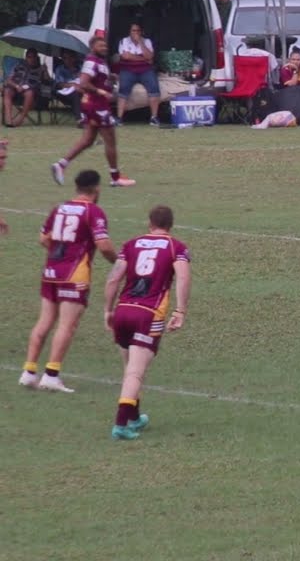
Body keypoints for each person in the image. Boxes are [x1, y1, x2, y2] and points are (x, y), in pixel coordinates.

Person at [19, 170, 118, 393]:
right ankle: (51, 375)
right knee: (67, 325)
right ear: (96, 188)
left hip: (51, 271)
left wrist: (59, 252)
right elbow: (104, 245)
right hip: (74, 275)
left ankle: (29, 372)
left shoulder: (60, 208)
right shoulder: (93, 211)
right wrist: (119, 263)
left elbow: (43, 238)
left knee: (44, 321)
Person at [101, 205, 191, 440]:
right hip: (148, 314)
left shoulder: (130, 244)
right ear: (170, 225)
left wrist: (108, 310)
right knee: (135, 373)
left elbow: (113, 279)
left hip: (123, 311)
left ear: (149, 224)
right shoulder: (176, 246)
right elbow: (183, 276)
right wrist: (180, 310)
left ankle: (134, 418)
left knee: (129, 368)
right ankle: (120, 425)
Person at [50, 35, 137, 187]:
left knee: (88, 140)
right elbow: (84, 83)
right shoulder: (91, 61)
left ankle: (61, 165)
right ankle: (115, 177)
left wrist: (110, 79)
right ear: (92, 47)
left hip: (94, 105)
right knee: (110, 140)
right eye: (100, 45)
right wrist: (100, 91)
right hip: (97, 106)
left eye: (105, 45)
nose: (104, 48)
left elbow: (98, 80)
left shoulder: (100, 62)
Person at [115, 23, 161, 126]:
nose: (136, 33)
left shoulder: (147, 41)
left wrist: (140, 42)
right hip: (128, 69)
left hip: (145, 70)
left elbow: (150, 56)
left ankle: (154, 117)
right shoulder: (124, 41)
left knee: (154, 88)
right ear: (129, 32)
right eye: (133, 30)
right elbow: (126, 56)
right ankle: (119, 118)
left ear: (141, 32)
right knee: (123, 89)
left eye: (138, 30)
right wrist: (144, 59)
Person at [4, 48, 49, 127]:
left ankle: (20, 119)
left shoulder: (40, 69)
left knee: (29, 93)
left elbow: (48, 81)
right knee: (7, 91)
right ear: (26, 58)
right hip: (15, 88)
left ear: (37, 58)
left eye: (33, 57)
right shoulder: (19, 66)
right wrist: (17, 86)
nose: (31, 59)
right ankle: (9, 119)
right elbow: (8, 80)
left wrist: (45, 71)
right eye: (29, 57)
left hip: (30, 92)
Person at [52, 49, 82, 117]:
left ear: (74, 57)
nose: (68, 60)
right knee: (76, 94)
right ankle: (79, 118)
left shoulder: (80, 67)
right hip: (66, 93)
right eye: (65, 58)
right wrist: (73, 85)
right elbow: (59, 84)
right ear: (62, 59)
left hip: (82, 90)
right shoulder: (60, 69)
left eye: (71, 57)